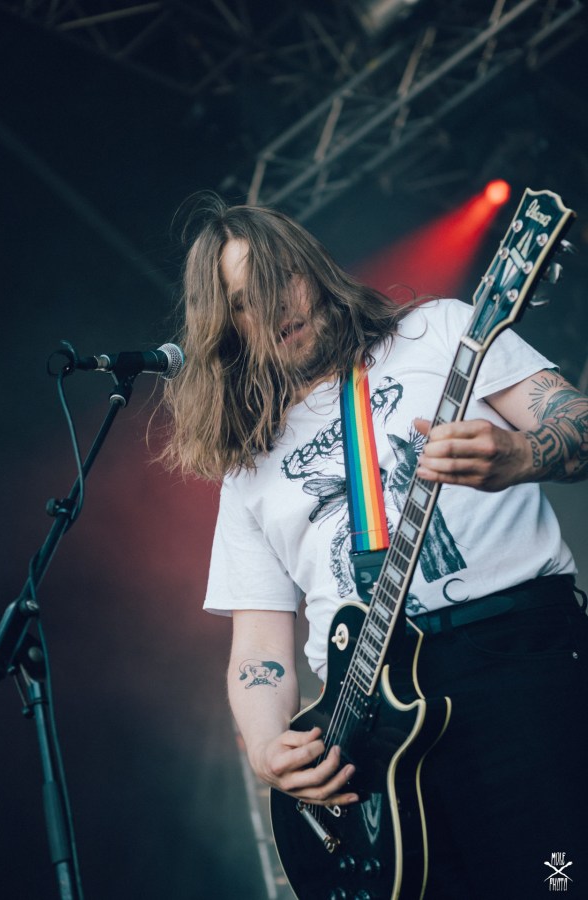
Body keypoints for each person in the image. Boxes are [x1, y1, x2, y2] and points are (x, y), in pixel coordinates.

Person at [162, 196, 588, 898]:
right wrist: (267, 748)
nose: (272, 309)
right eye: (243, 303)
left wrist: (521, 454)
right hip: (370, 735)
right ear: (226, 327)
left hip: (512, 665)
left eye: (278, 278)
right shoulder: (248, 464)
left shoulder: (442, 330)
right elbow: (259, 647)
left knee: (557, 880)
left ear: (311, 267)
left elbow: (577, 422)